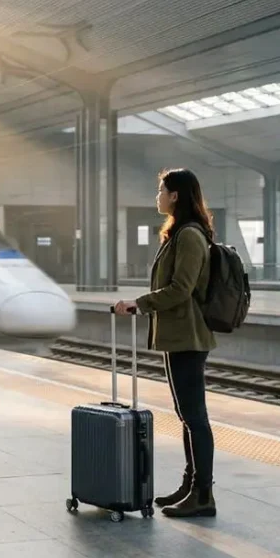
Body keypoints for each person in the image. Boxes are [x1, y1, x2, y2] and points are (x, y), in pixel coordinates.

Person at [113, 168, 217, 518]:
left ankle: (204, 494)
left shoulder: (189, 236)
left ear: (176, 195)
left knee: (195, 418)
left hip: (188, 336)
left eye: (161, 189)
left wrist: (139, 304)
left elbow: (181, 289)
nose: (157, 195)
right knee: (187, 415)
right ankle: (190, 486)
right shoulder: (179, 234)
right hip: (178, 336)